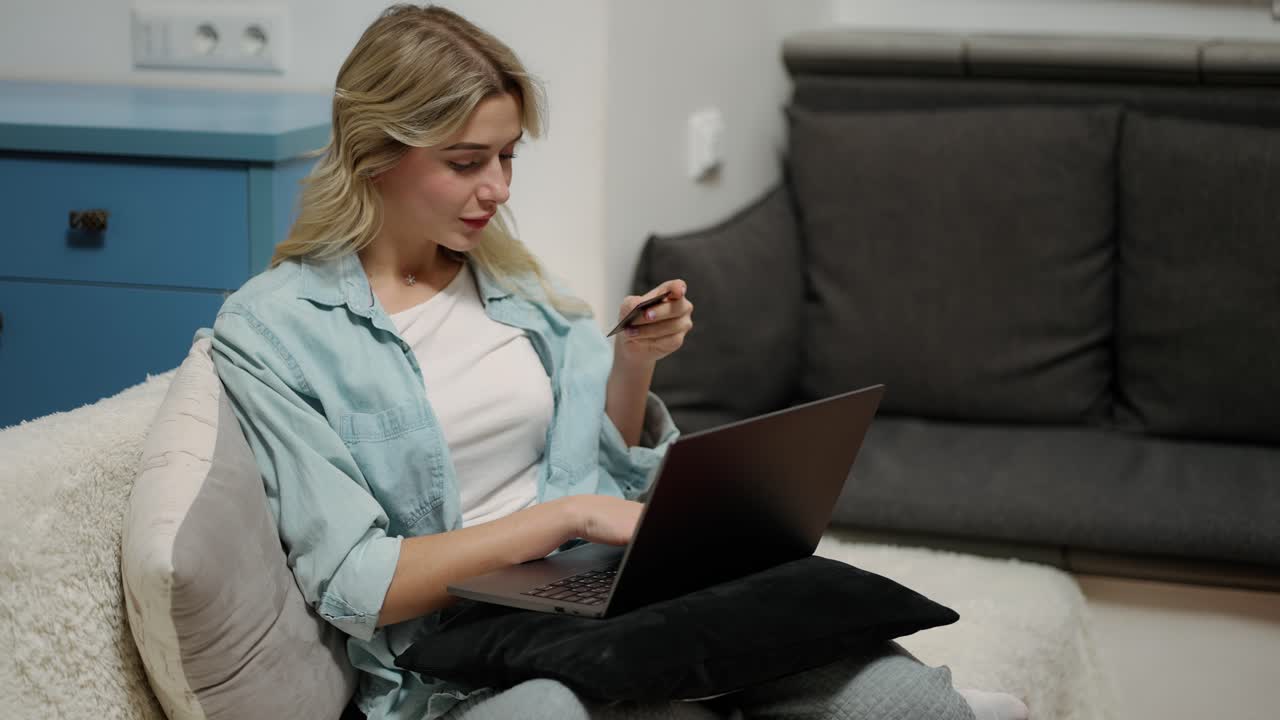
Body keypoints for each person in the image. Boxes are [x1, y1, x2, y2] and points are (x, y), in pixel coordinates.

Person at [205, 5, 1030, 720]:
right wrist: (569, 521)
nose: (496, 189)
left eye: (508, 156)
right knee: (604, 704)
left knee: (892, 693)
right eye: (466, 162)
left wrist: (631, 365)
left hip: (601, 584)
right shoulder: (276, 331)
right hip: (458, 644)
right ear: (376, 154)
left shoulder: (513, 284)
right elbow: (355, 580)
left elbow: (600, 466)